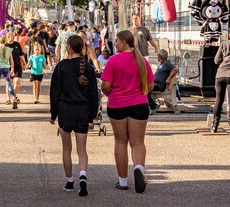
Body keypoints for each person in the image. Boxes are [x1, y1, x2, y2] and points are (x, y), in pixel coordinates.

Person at [101, 30, 154, 194]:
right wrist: (140, 93)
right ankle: (138, 168)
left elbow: (105, 85)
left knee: (120, 142)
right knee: (138, 142)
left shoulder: (113, 60)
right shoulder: (142, 61)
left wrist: (110, 94)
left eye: (116, 41)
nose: (114, 44)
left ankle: (123, 181)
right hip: (139, 104)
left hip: (117, 105)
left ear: (124, 42)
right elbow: (150, 85)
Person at [50, 35, 99, 197]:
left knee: (66, 148)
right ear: (82, 48)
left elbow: (54, 93)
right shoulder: (89, 68)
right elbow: (93, 95)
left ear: (69, 48)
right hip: (82, 110)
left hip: (65, 110)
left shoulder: (61, 66)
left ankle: (70, 181)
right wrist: (92, 117)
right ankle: (83, 177)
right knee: (82, 150)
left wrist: (53, 114)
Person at [147, 49, 179, 114]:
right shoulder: (162, 64)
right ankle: (151, 105)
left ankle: (153, 106)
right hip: (155, 83)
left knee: (144, 89)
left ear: (160, 56)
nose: (157, 57)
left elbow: (176, 69)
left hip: (159, 86)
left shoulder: (167, 63)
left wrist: (169, 78)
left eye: (158, 56)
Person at [0, 36, 19, 109]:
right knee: (9, 84)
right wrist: (12, 69)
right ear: (6, 42)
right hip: (7, 69)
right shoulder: (9, 50)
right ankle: (14, 98)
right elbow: (12, 61)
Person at [6, 32, 26, 104]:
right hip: (8, 68)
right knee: (9, 83)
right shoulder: (5, 45)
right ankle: (8, 99)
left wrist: (24, 63)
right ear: (8, 37)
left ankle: (14, 96)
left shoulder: (17, 44)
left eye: (14, 36)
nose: (14, 37)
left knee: (18, 81)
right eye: (12, 36)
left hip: (17, 66)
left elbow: (21, 55)